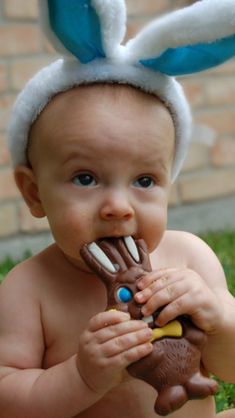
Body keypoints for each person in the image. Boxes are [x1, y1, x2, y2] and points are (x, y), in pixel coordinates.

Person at [1, 1, 235, 417]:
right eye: (86, 178)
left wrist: (216, 318)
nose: (117, 207)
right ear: (34, 193)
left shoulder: (191, 259)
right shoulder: (28, 291)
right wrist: (81, 377)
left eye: (144, 181)